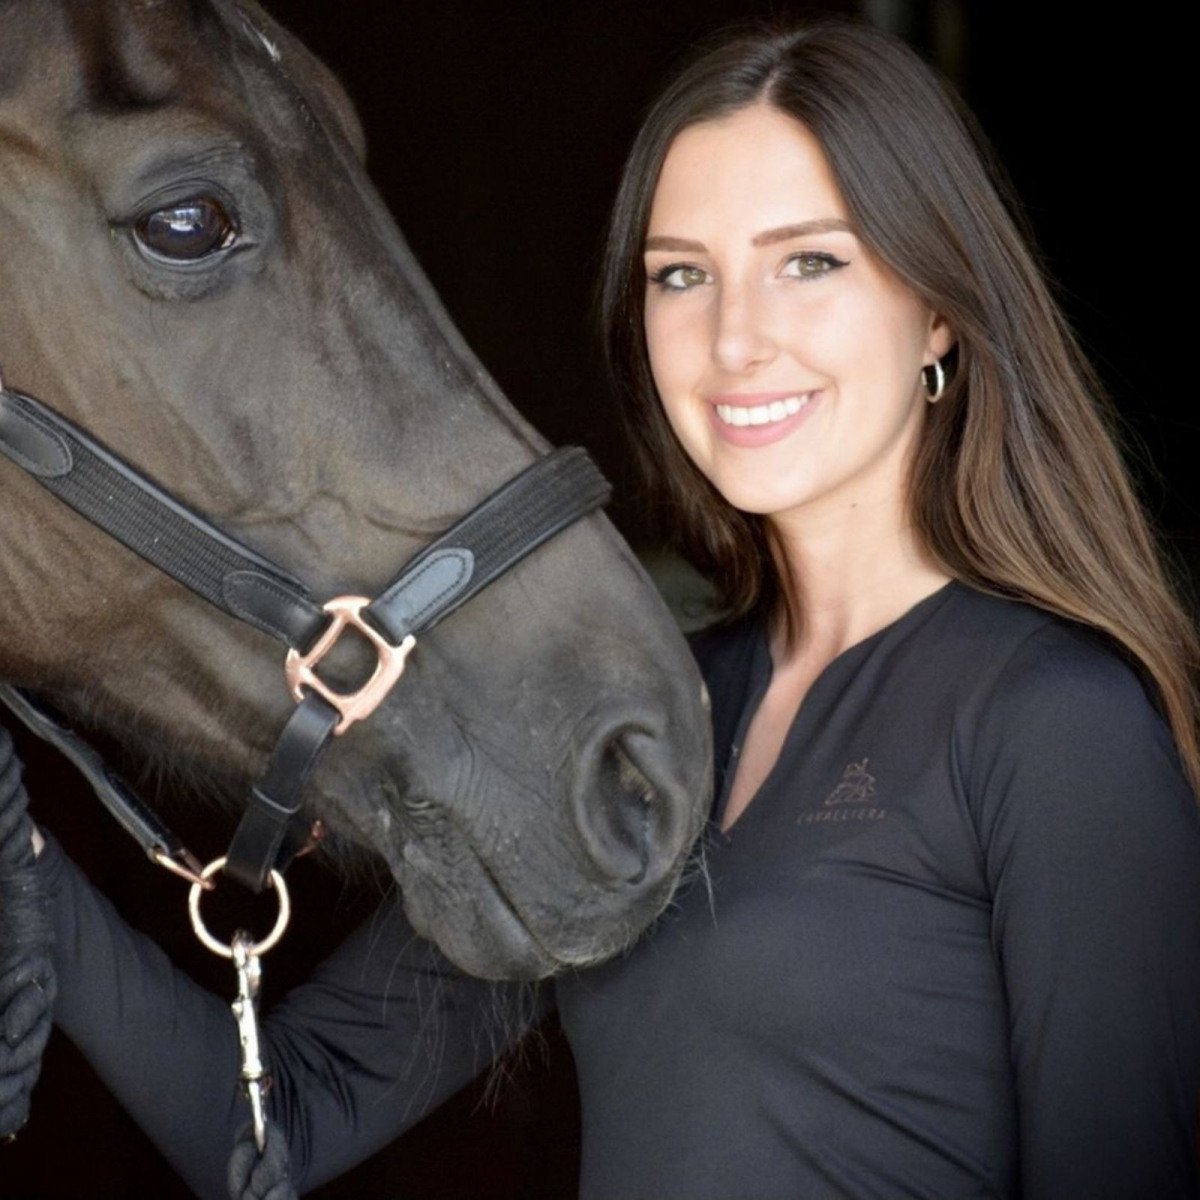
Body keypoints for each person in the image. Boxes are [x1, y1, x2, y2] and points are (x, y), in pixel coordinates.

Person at [11, 17, 1200, 1200]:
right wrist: (19, 845)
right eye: (683, 274)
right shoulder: (657, 719)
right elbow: (273, 1126)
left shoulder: (1055, 724)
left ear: (937, 311)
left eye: (810, 262)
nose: (737, 339)